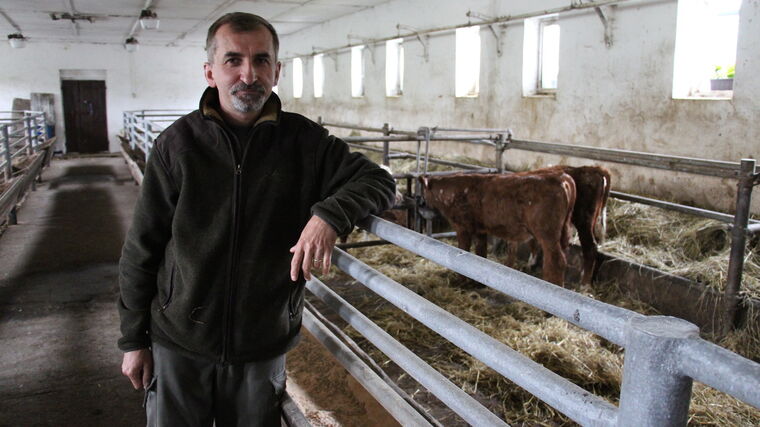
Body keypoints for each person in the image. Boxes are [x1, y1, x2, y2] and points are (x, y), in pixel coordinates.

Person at [117, 12, 395, 426]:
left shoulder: (305, 142)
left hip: (260, 343)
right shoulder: (178, 145)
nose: (249, 74)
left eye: (261, 60)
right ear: (210, 72)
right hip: (178, 341)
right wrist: (132, 339)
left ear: (277, 71)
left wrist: (329, 217)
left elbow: (379, 180)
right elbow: (143, 246)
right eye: (233, 61)